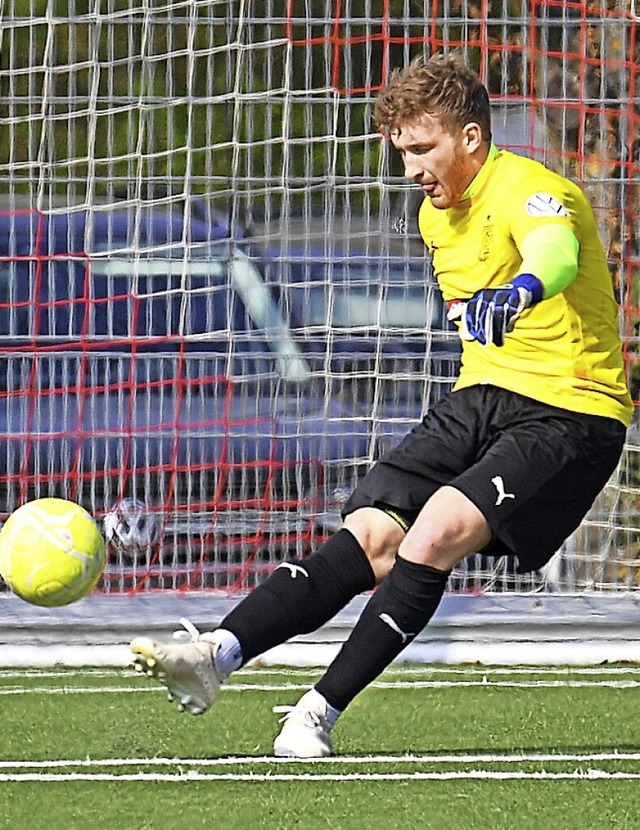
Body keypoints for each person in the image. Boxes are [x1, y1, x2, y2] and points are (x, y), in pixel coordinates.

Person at [130, 53, 632, 758]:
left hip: (571, 410)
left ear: (472, 139)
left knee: (432, 537)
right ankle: (219, 653)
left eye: (422, 148)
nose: (410, 169)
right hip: (483, 395)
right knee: (369, 535)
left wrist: (519, 290)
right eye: (401, 152)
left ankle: (315, 714)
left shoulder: (531, 189)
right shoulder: (435, 214)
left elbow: (555, 252)